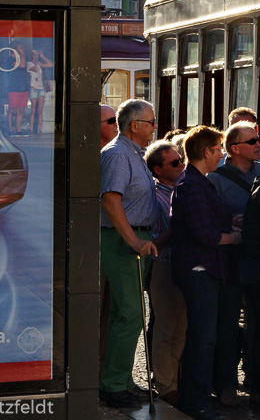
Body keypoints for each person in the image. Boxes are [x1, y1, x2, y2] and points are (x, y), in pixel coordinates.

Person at [172, 125, 242, 420]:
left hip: (204, 268)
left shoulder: (198, 181)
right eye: (219, 150)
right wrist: (237, 237)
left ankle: (197, 398)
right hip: (200, 269)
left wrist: (237, 220)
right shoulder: (194, 184)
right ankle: (196, 403)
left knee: (203, 336)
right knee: (203, 338)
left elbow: (214, 221)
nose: (222, 155)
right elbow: (205, 234)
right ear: (206, 152)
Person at [99, 99, 159, 410]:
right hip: (122, 241)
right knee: (130, 313)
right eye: (151, 122)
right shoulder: (118, 154)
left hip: (135, 239)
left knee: (126, 313)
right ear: (135, 126)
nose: (154, 128)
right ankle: (112, 384)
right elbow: (111, 202)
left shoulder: (132, 153)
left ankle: (119, 380)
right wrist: (134, 240)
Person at [210, 121, 260, 407]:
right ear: (235, 148)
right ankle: (225, 385)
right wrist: (230, 221)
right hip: (230, 259)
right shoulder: (215, 178)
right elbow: (207, 219)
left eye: (257, 140)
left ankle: (259, 384)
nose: (258, 144)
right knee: (225, 324)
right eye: (252, 141)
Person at [146, 140, 187, 407]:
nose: (181, 164)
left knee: (181, 327)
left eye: (180, 159)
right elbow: (160, 236)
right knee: (165, 327)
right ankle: (164, 383)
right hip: (165, 266)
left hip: (182, 265)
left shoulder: (182, 190)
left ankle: (175, 380)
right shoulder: (157, 195)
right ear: (158, 170)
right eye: (174, 162)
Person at [6, 43, 30, 135]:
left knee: (20, 110)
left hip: (23, 88)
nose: (22, 49)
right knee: (12, 109)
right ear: (15, 49)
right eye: (20, 47)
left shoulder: (21, 59)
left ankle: (18, 130)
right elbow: (22, 66)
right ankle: (10, 129)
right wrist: (22, 55)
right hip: (13, 88)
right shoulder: (10, 59)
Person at [28, 49, 53, 134]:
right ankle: (31, 129)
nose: (36, 56)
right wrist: (35, 58)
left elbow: (50, 64)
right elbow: (34, 69)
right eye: (35, 55)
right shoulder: (29, 63)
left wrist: (42, 56)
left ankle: (40, 129)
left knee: (40, 110)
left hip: (41, 88)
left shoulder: (38, 63)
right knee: (33, 109)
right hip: (33, 88)